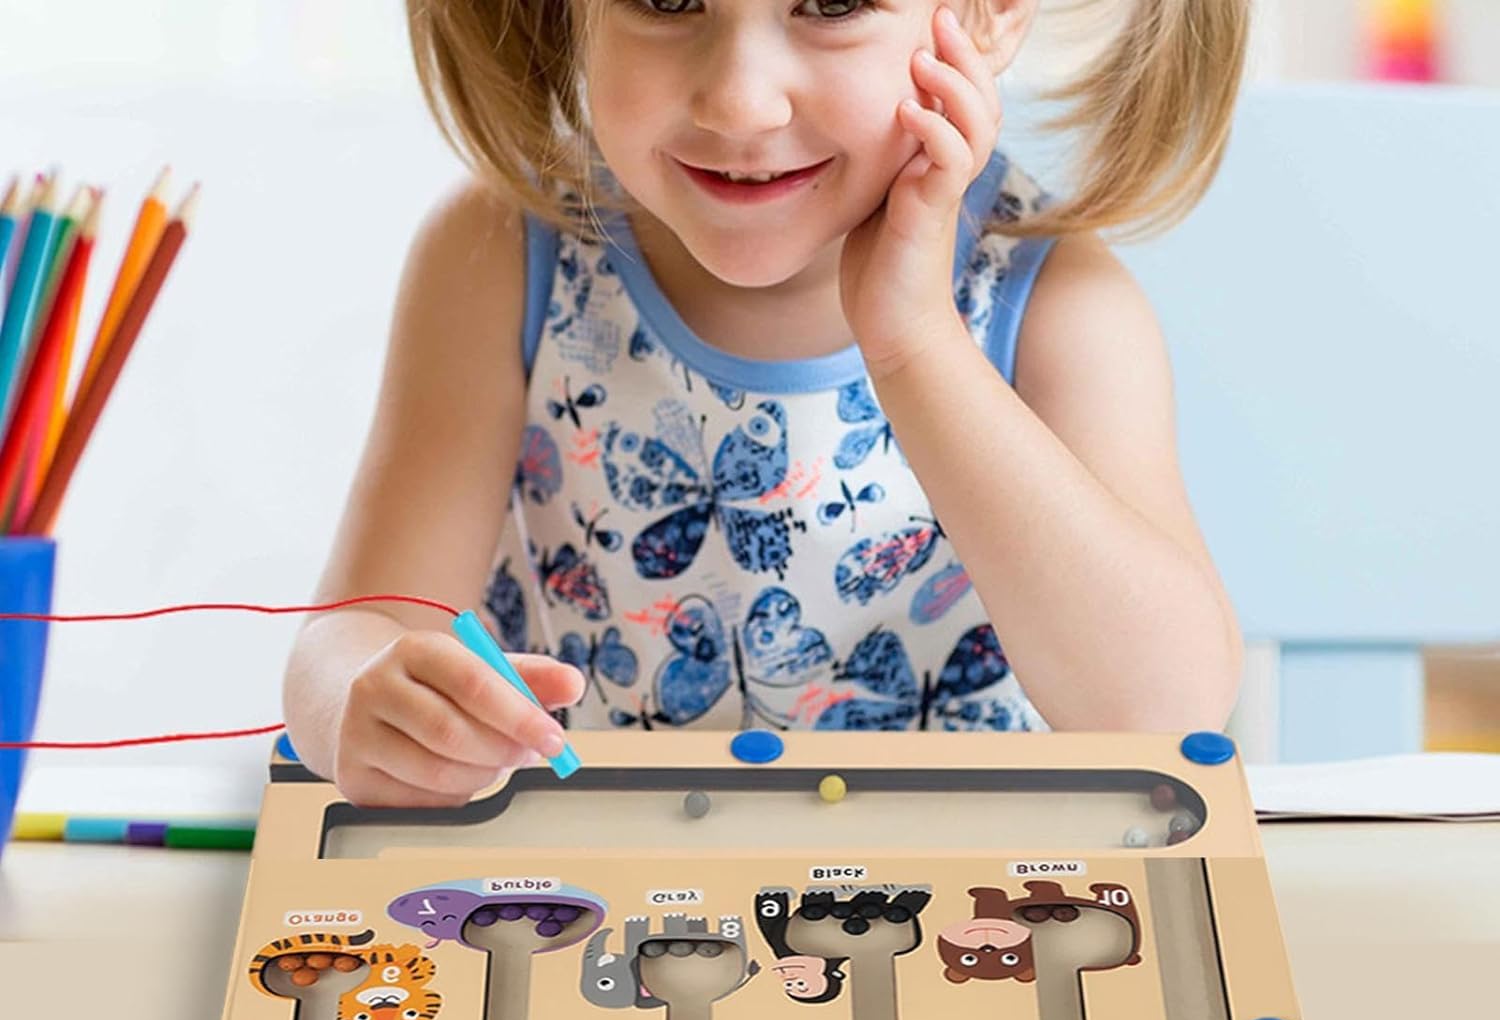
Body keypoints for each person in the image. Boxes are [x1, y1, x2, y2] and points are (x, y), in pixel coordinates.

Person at [282, 0, 1248, 808]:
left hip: (963, 949)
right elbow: (348, 638)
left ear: (986, 11)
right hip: (597, 930)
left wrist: (914, 342)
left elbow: (1165, 709)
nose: (740, 103)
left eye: (830, 3)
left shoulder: (1056, 305)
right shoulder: (506, 255)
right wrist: (370, 706)